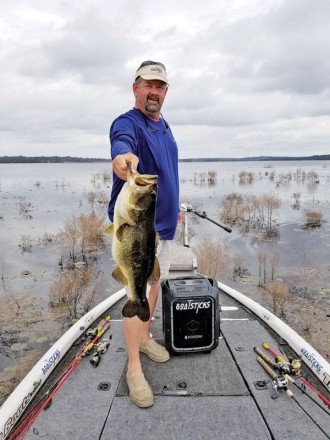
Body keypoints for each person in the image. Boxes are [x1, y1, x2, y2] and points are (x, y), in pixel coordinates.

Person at [108, 60, 181, 408]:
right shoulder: (128, 122)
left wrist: (174, 207)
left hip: (164, 226)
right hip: (137, 233)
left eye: (161, 86)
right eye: (148, 85)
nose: (154, 92)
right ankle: (134, 369)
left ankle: (145, 336)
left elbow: (167, 172)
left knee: (155, 284)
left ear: (166, 91)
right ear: (135, 88)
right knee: (135, 288)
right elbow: (121, 146)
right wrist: (123, 159)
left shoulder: (164, 125)